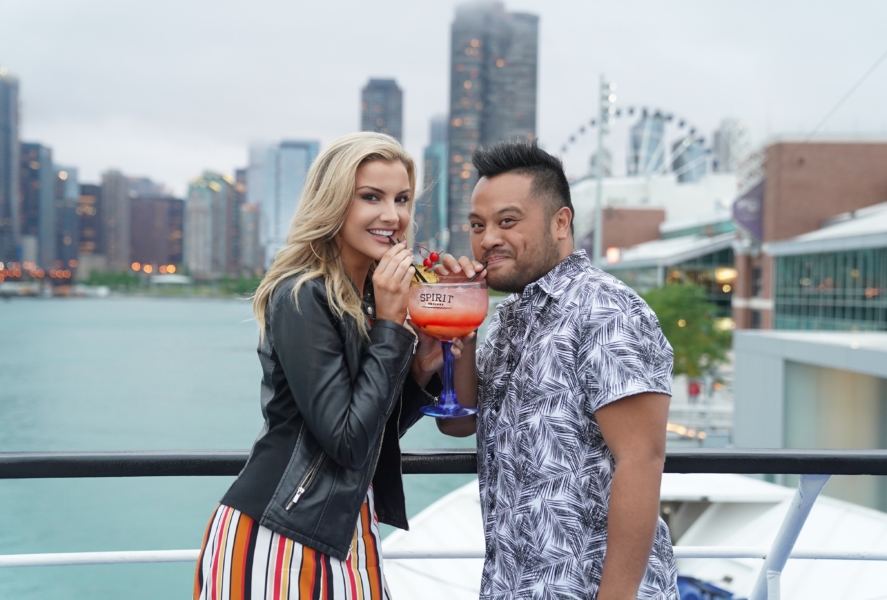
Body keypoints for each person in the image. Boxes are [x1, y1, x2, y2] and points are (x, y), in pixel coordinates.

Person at [193, 132, 455, 600]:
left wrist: (419, 369)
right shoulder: (302, 294)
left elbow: (371, 429)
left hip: (346, 530)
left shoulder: (369, 300)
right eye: (370, 197)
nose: (392, 216)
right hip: (279, 538)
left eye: (402, 199)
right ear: (333, 203)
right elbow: (347, 441)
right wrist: (393, 330)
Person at [437, 140, 679, 599]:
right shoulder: (509, 320)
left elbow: (641, 459)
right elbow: (458, 421)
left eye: (508, 221)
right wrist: (461, 321)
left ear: (561, 222)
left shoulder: (606, 309)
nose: (487, 239)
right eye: (477, 225)